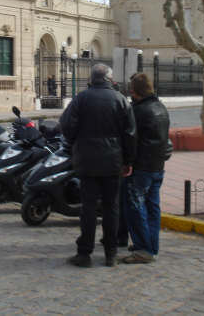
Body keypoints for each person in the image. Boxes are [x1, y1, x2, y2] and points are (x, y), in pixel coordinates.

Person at [60, 63, 136, 267]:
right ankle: (111, 253)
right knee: (111, 207)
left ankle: (84, 253)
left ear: (92, 79)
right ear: (110, 79)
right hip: (113, 161)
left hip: (87, 160)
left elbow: (66, 125)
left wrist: (76, 142)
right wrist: (128, 160)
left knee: (89, 208)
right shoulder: (120, 100)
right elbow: (130, 134)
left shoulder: (81, 99)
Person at [120, 73, 170, 264]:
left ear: (135, 91)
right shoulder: (161, 108)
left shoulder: (138, 111)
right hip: (157, 166)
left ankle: (143, 248)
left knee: (135, 207)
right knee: (152, 207)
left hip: (141, 168)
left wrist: (127, 163)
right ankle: (151, 246)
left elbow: (131, 139)